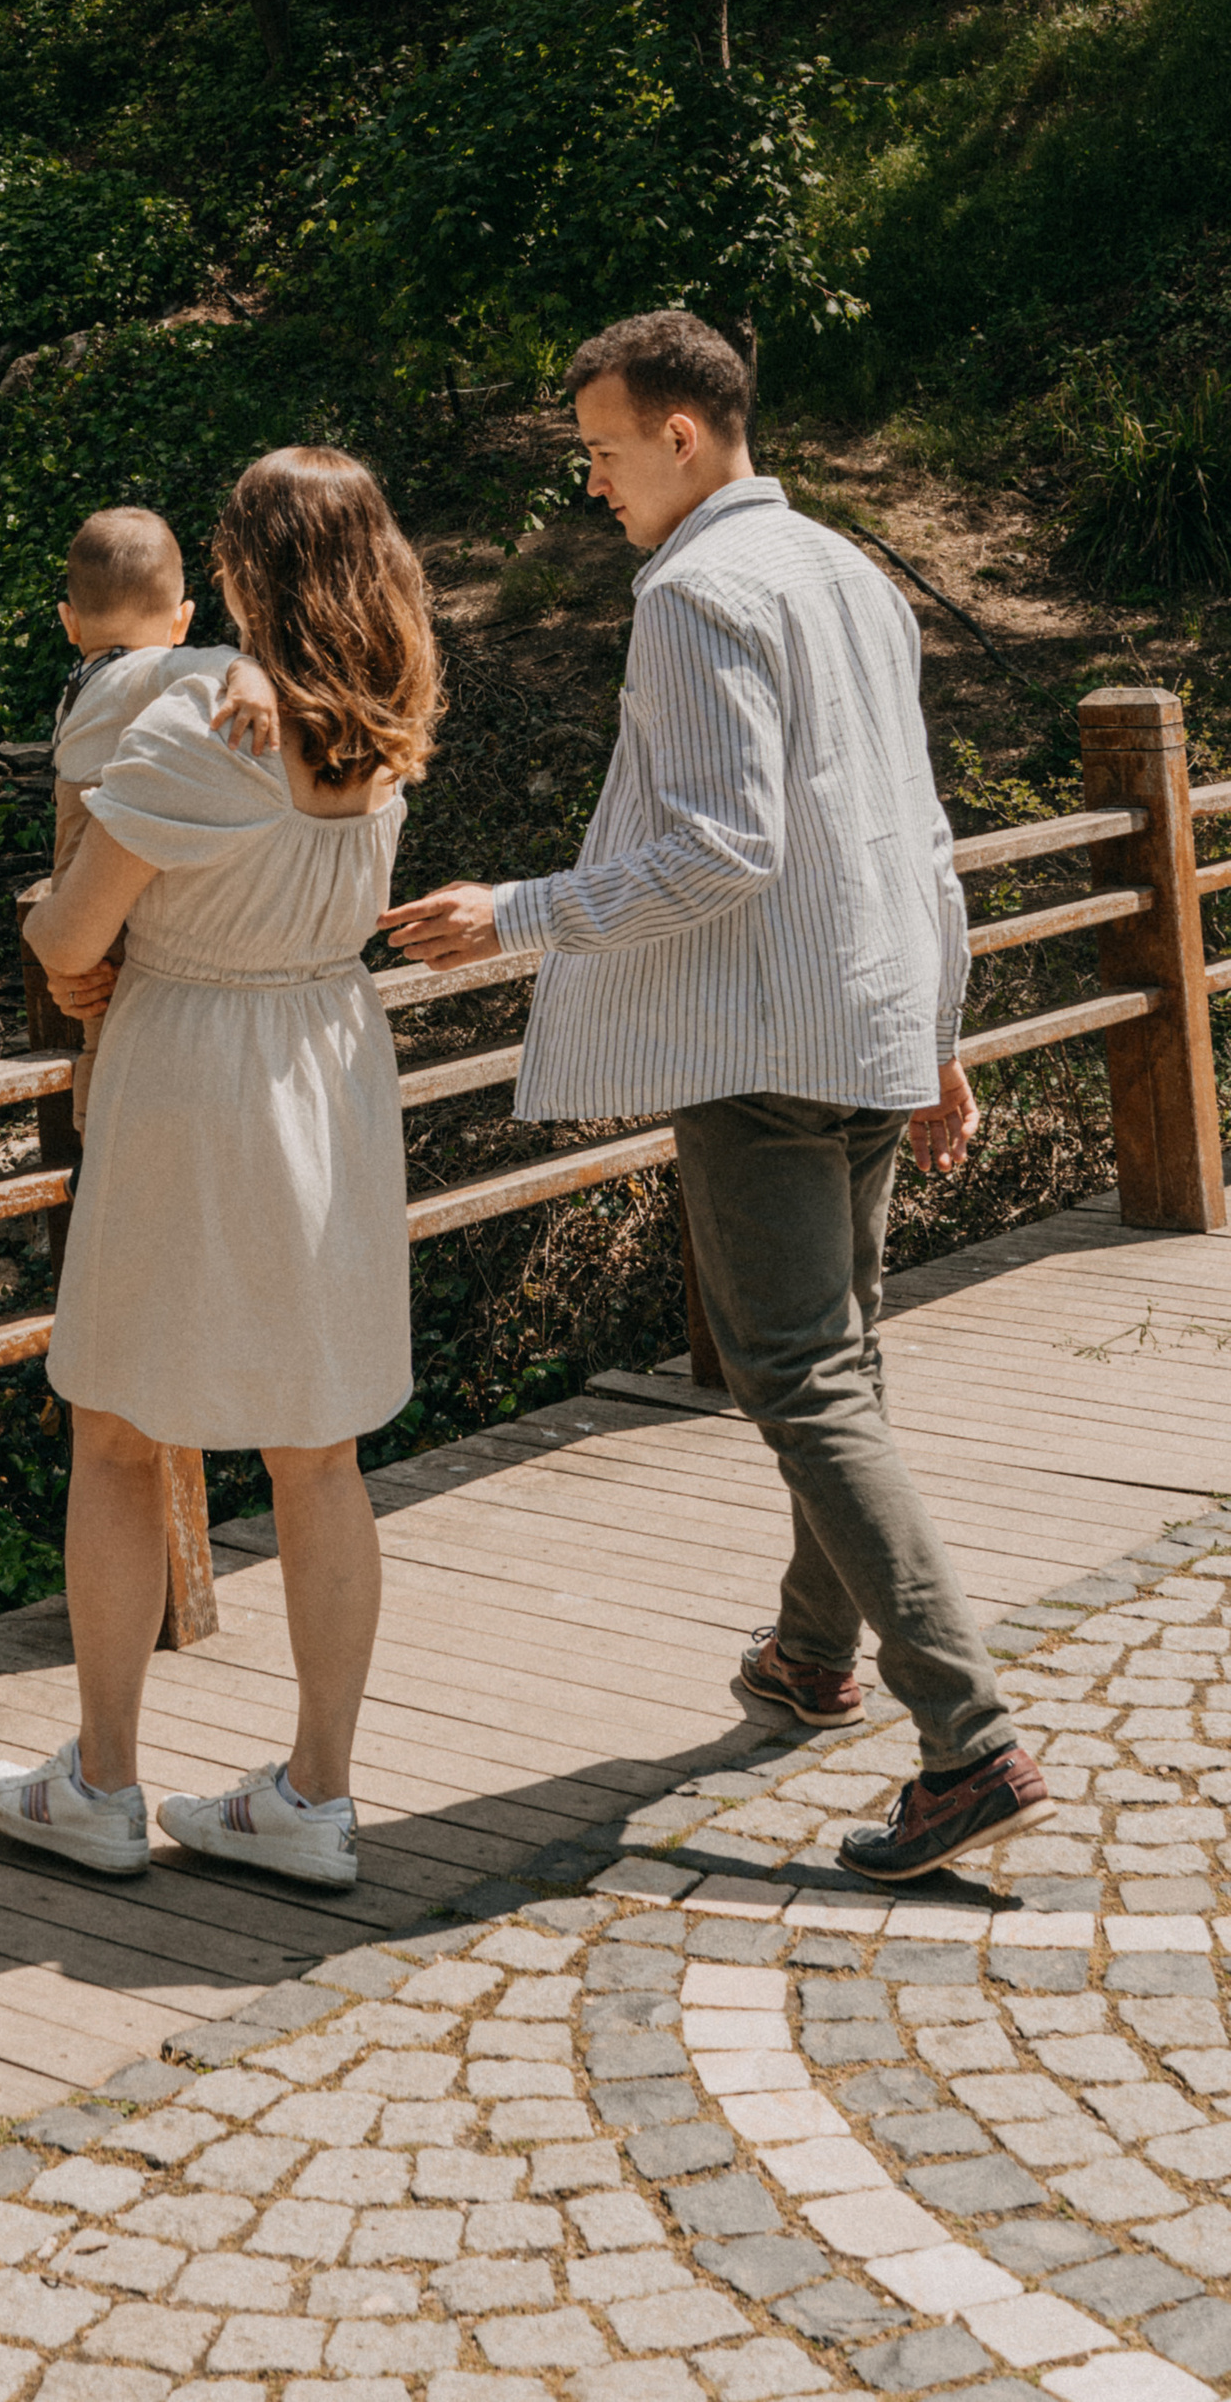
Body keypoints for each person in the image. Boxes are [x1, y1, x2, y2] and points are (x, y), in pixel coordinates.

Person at [384, 307, 1048, 1888]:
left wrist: (518, 915)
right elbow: (912, 825)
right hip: (869, 1010)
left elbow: (725, 848)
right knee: (846, 1360)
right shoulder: (844, 570)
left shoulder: (695, 593)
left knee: (802, 1376)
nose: (591, 483)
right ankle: (813, 1660)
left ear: (686, 432)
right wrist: (940, 1025)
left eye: (604, 452)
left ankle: (966, 1741)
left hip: (762, 1040)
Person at [0, 445, 439, 1890]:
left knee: (118, 1427)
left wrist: (49, 910)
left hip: (191, 1071)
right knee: (321, 1449)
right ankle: (317, 1795)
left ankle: (103, 1781)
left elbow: (70, 939)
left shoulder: (201, 743)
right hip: (325, 1060)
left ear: (243, 576)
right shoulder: (385, 723)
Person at [47, 505, 225, 1144]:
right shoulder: (141, 669)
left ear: (69, 622)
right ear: (182, 619)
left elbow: (189, 665)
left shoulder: (107, 674)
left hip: (85, 837)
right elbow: (198, 663)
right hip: (109, 833)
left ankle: (93, 1141)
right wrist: (246, 673)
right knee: (105, 1000)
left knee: (99, 1007)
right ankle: (99, 1143)